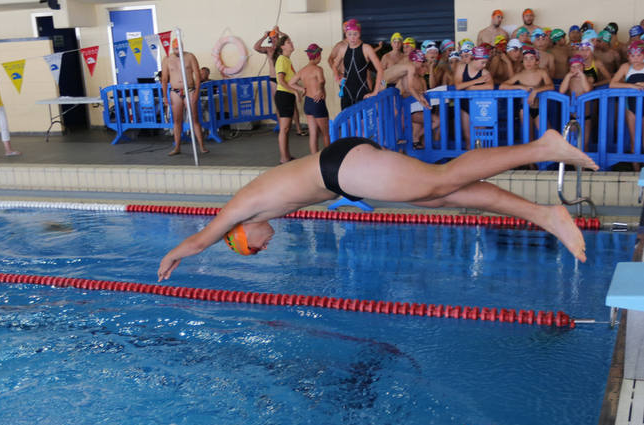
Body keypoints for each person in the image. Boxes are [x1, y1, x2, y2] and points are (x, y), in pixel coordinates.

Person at [156, 129, 596, 281]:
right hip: (345, 174)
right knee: (446, 197)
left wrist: (175, 254)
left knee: (442, 180)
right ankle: (544, 215)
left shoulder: (240, 209)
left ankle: (544, 146)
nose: (262, 249)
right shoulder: (260, 212)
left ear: (240, 234)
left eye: (252, 249)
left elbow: (200, 238)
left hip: (342, 169)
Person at [254, 27, 306, 137]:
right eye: (272, 38)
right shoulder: (269, 50)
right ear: (270, 39)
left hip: (285, 79)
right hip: (274, 79)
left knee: (293, 105)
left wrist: (280, 32)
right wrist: (264, 36)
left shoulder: (282, 51)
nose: (274, 39)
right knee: (279, 104)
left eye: (276, 37)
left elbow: (287, 40)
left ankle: (298, 128)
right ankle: (282, 126)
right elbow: (256, 47)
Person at [161, 38, 209, 156]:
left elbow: (197, 76)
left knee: (195, 119)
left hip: (190, 90)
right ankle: (177, 147)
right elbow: (164, 79)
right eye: (175, 49)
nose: (178, 51)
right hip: (174, 91)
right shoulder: (167, 59)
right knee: (177, 121)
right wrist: (164, 96)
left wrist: (197, 92)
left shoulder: (190, 57)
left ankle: (202, 147)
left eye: (179, 48)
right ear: (172, 48)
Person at [328, 19, 385, 110]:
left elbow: (380, 69)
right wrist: (337, 78)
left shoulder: (366, 48)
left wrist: (375, 91)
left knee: (363, 122)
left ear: (359, 34)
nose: (352, 37)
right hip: (347, 93)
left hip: (362, 92)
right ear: (346, 34)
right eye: (349, 34)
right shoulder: (342, 49)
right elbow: (334, 65)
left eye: (355, 34)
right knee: (347, 122)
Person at [500, 48, 553, 140]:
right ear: (522, 61)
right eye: (526, 59)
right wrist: (520, 87)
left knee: (548, 136)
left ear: (537, 61)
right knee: (528, 137)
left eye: (532, 58)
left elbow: (551, 86)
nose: (528, 62)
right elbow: (502, 86)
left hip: (539, 108)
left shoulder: (542, 72)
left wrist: (536, 90)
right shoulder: (519, 75)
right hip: (524, 109)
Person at [288, 44, 330, 155]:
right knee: (326, 133)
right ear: (318, 55)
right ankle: (329, 158)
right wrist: (320, 90)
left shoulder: (302, 71)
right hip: (317, 103)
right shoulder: (318, 69)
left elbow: (290, 83)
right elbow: (321, 81)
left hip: (308, 103)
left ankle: (313, 159)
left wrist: (302, 89)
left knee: (313, 134)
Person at [609, 40, 644, 170]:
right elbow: (612, 84)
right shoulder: (625, 67)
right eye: (632, 56)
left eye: (639, 55)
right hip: (631, 108)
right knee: (635, 139)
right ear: (628, 56)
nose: (635, 58)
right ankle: (636, 170)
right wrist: (631, 86)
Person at [454, 46, 494, 149]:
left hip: (479, 106)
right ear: (475, 59)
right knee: (468, 137)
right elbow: (458, 86)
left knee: (480, 137)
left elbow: (490, 87)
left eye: (486, 63)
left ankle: (479, 161)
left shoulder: (485, 72)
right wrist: (476, 81)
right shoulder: (461, 67)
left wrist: (470, 87)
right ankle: (470, 162)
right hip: (465, 105)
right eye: (483, 62)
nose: (484, 65)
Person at [273, 35, 299, 164]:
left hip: (287, 95)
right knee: (284, 128)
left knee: (287, 128)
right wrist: (294, 91)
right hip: (283, 95)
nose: (292, 43)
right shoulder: (282, 59)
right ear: (282, 46)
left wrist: (299, 89)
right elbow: (281, 81)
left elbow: (290, 80)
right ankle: (283, 158)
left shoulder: (287, 60)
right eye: (289, 42)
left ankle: (287, 155)